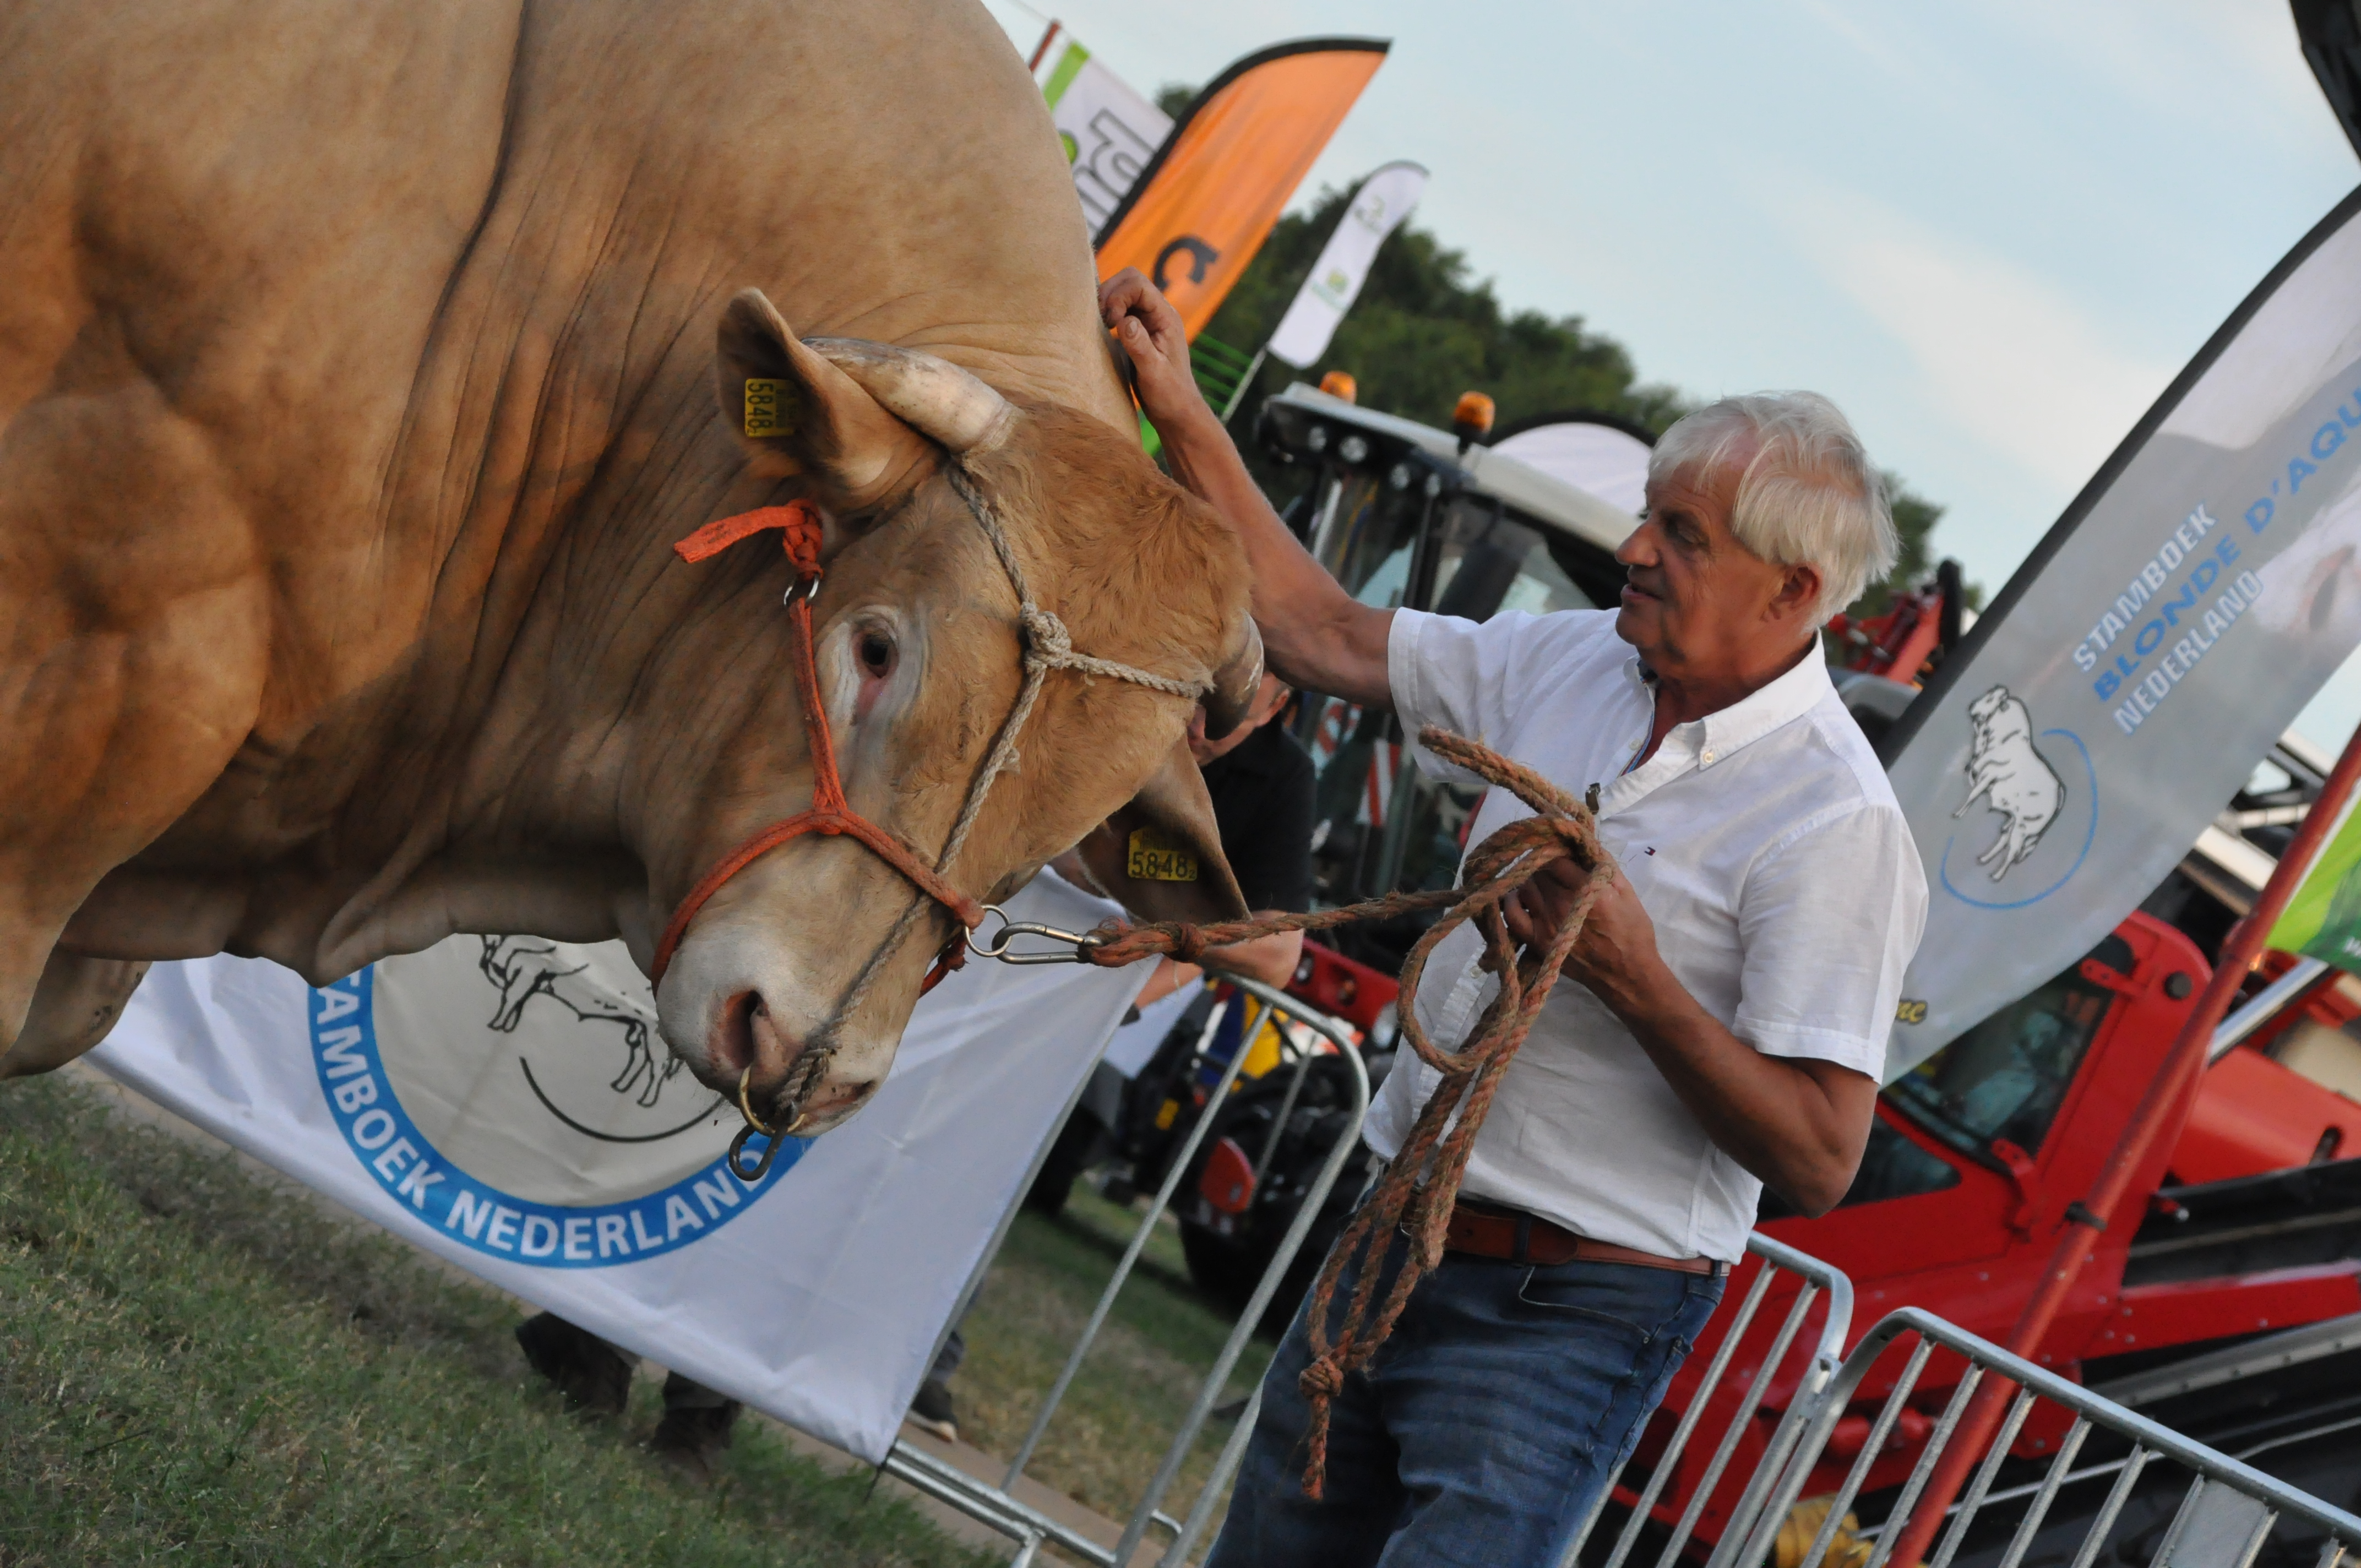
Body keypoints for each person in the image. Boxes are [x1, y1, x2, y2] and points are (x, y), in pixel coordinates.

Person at [1101, 268, 1929, 1567]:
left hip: (1577, 1307)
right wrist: (1181, 407)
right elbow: (1316, 629)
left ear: (1792, 593)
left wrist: (1635, 981)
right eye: (1650, 515)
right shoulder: (1573, 655)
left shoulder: (1836, 826)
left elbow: (1820, 1155)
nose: (1635, 549)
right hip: (1394, 1223)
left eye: (1684, 533)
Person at [909, 668, 1320, 1442]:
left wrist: (1159, 957)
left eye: (1231, 712)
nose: (1201, 723)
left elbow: (1272, 951)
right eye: (1202, 695)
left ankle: (926, 1356)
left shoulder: (1283, 779)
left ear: (1278, 706)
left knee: (991, 1166)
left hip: (1078, 991)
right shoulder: (1131, 697)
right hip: (981, 938)